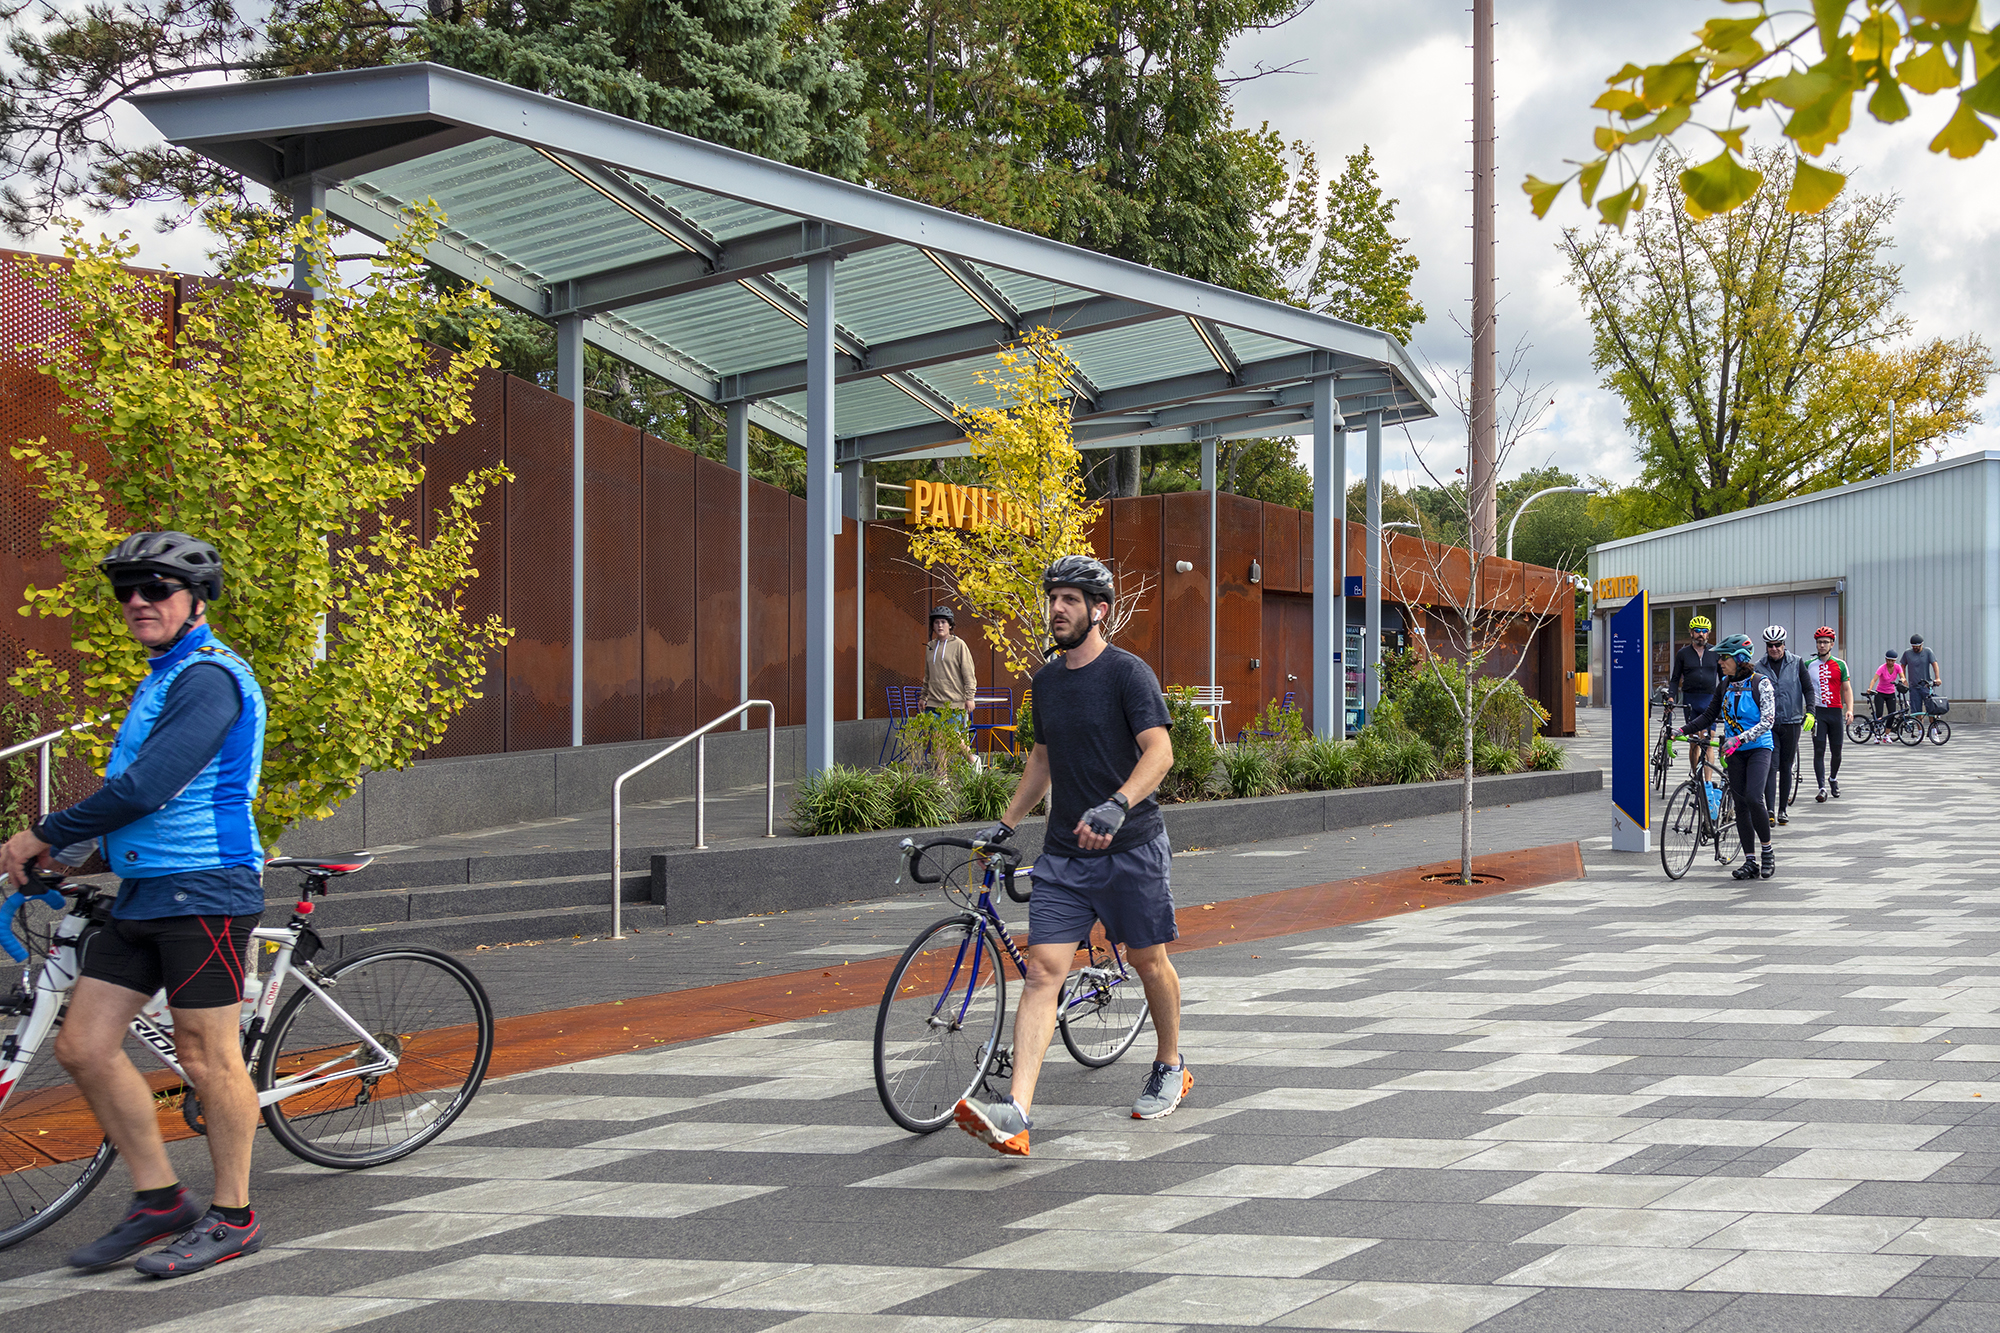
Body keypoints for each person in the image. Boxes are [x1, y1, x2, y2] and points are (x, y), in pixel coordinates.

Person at [0, 532, 268, 1276]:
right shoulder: (165, 677)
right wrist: (75, 856)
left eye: (155, 586)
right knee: (83, 1044)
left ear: (195, 599)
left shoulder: (209, 678)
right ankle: (159, 1200)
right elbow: (144, 806)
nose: (139, 601)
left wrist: (41, 833)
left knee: (205, 1054)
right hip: (149, 889)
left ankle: (234, 1215)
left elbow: (148, 787)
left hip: (209, 888)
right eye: (126, 589)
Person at [954, 554, 1179, 1156]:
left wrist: (1119, 803)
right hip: (1064, 857)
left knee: (1148, 961)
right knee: (1042, 973)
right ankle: (1017, 1115)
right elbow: (1042, 763)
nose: (1057, 608)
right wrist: (1005, 824)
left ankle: (1169, 1063)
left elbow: (1159, 754)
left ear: (1098, 611)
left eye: (1071, 599)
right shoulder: (1047, 683)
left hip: (1130, 848)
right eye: (1053, 597)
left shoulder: (1129, 674)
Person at [1682, 634, 1777, 881]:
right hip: (1734, 753)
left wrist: (1740, 738)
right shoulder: (1724, 684)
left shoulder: (1761, 683)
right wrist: (1681, 731)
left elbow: (1768, 720)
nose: (1720, 662)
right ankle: (1750, 861)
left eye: (1724, 658)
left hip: (1758, 748)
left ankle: (1767, 851)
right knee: (1740, 805)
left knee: (1755, 798)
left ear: (1739, 659)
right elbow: (1708, 715)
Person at [1754, 626, 1810, 825]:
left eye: (1778, 645)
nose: (1774, 648)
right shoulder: (1759, 667)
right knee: (1771, 766)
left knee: (1786, 766)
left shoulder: (1796, 663)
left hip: (1792, 722)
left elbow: (1808, 688)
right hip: (1769, 724)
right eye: (1770, 645)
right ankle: (1769, 809)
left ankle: (1782, 810)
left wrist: (1810, 711)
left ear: (1784, 645)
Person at [1802, 628, 1852, 801]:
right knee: (1819, 750)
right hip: (1818, 713)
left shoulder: (1840, 664)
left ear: (1832, 644)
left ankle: (1833, 778)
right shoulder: (1809, 665)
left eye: (1825, 642)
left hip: (1835, 711)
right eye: (1819, 642)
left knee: (1836, 752)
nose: (1821, 645)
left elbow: (1846, 689)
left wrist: (1850, 710)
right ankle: (1821, 787)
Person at [1668, 616, 1720, 774]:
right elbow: (1675, 678)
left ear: (1709, 634)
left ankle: (1708, 784)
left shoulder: (1715, 652)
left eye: (1704, 631)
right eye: (1697, 631)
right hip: (1691, 701)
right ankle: (1695, 776)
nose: (1701, 634)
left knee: (1708, 740)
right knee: (1694, 742)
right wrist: (1671, 697)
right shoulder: (1683, 654)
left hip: (1710, 700)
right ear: (1691, 633)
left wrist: (1727, 697)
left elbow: (1724, 677)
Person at [920, 606, 978, 719]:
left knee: (953, 736)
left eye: (943, 622)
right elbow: (927, 675)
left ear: (950, 625)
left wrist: (970, 698)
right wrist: (923, 697)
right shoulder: (930, 646)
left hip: (954, 704)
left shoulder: (959, 645)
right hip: (932, 703)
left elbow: (968, 674)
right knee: (934, 736)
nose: (940, 625)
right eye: (936, 622)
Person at [1900, 634, 1940, 723]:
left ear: (1921, 645)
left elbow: (1935, 664)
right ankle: (1920, 731)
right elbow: (1902, 666)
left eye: (1917, 647)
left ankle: (1934, 731)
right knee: (1917, 711)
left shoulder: (1928, 652)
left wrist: (1937, 678)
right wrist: (1904, 680)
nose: (1915, 648)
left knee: (1931, 709)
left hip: (1926, 686)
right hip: (1914, 687)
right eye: (1913, 646)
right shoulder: (1907, 653)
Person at [1870, 651, 1903, 743]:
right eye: (1888, 660)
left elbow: (1902, 676)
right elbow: (1874, 679)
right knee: (1879, 714)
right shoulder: (1882, 668)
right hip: (1880, 693)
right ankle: (1876, 735)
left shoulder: (1897, 667)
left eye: (1892, 661)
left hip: (1890, 693)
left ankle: (1886, 735)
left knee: (1892, 714)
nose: (1890, 663)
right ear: (1886, 660)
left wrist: (1903, 680)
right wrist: (1870, 688)